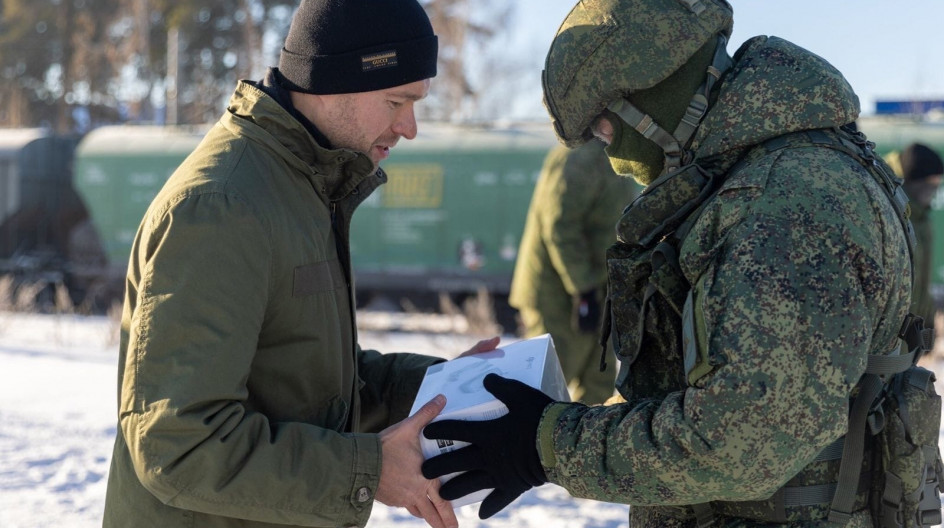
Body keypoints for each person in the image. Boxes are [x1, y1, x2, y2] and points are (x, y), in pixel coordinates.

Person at [421, 0, 921, 526]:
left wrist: (548, 443)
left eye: (605, 128)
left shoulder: (785, 202)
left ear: (653, 96)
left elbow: (741, 438)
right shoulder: (767, 175)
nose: (614, 157)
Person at [101, 1, 498, 527]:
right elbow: (179, 446)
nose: (410, 127)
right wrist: (366, 471)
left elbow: (311, 383)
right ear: (333, 82)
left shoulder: (301, 188)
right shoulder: (223, 207)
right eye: (396, 101)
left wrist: (440, 390)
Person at [508, 141, 636, 404]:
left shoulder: (617, 154)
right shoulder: (579, 157)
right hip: (559, 295)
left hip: (600, 288)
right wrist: (583, 289)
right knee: (546, 390)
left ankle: (581, 445)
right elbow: (559, 228)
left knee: (597, 387)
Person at [886, 143, 944, 337]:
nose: (933, 191)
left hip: (914, 326)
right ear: (914, 182)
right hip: (893, 331)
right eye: (930, 184)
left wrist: (927, 319)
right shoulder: (895, 214)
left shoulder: (921, 217)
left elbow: (922, 276)